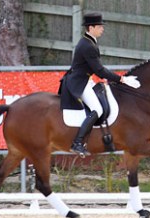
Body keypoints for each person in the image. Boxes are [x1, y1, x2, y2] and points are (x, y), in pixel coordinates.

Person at [60, 13, 141, 157]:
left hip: (85, 78)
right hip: (79, 82)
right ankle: (77, 143)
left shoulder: (89, 41)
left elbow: (95, 69)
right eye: (100, 26)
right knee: (97, 109)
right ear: (91, 28)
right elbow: (100, 70)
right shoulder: (87, 45)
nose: (102, 29)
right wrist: (121, 79)